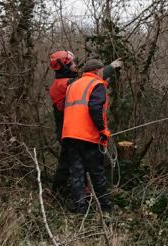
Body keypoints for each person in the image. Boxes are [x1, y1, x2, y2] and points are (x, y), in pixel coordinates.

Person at [48, 51, 122, 197]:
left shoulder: (67, 81)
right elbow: (88, 81)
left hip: (71, 129)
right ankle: (60, 194)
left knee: (73, 164)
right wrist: (110, 68)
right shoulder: (64, 84)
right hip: (70, 129)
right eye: (72, 64)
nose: (75, 66)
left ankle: (74, 193)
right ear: (64, 67)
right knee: (69, 165)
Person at [61, 58, 120, 214]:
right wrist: (102, 131)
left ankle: (81, 208)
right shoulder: (97, 85)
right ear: (97, 71)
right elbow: (95, 108)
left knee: (77, 173)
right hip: (88, 136)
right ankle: (106, 207)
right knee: (96, 172)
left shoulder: (72, 85)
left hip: (69, 135)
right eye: (102, 71)